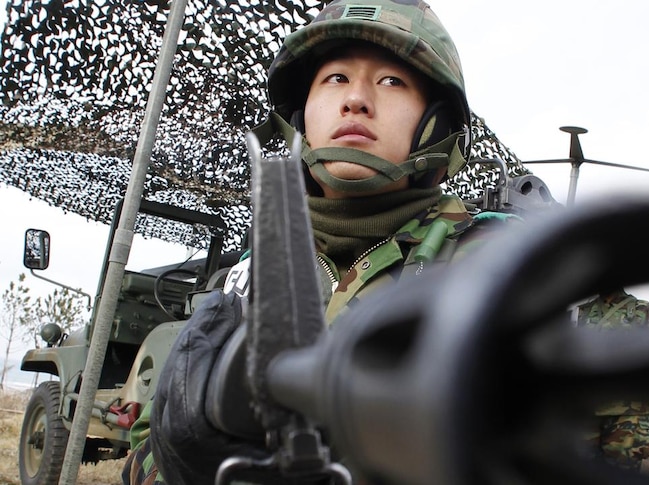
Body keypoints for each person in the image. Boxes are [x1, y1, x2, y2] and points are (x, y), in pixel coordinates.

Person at [122, 1, 515, 484]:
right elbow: (142, 454)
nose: (356, 101)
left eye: (392, 82)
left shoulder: (488, 269)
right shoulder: (252, 272)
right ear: (300, 115)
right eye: (334, 79)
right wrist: (182, 461)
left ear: (436, 125)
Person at [575, 287, 649, 472]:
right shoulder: (582, 312)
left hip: (629, 409)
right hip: (588, 406)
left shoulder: (644, 310)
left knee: (622, 471)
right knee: (582, 472)